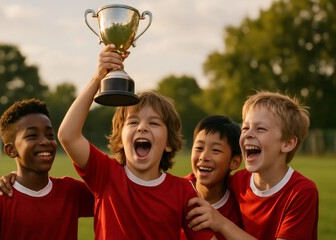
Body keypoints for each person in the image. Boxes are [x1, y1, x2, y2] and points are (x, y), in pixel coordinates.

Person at [57, 44, 216, 240]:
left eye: (154, 123)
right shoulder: (106, 174)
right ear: (121, 139)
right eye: (133, 122)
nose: (142, 127)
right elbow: (67, 135)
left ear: (168, 143)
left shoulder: (183, 190)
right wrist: (97, 79)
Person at [187, 91, 319, 239]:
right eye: (245, 128)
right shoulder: (237, 182)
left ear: (288, 143)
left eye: (260, 128)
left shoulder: (302, 192)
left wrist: (222, 224)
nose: (248, 134)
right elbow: (194, 184)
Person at [0, 98, 94, 240]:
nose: (45, 141)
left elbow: (116, 195)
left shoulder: (71, 191)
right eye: (32, 135)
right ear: (11, 150)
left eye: (50, 135)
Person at [180, 115, 243, 240]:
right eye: (199, 148)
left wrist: (221, 223)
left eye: (215, 150)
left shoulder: (241, 200)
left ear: (235, 162)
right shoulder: (177, 193)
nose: (204, 156)